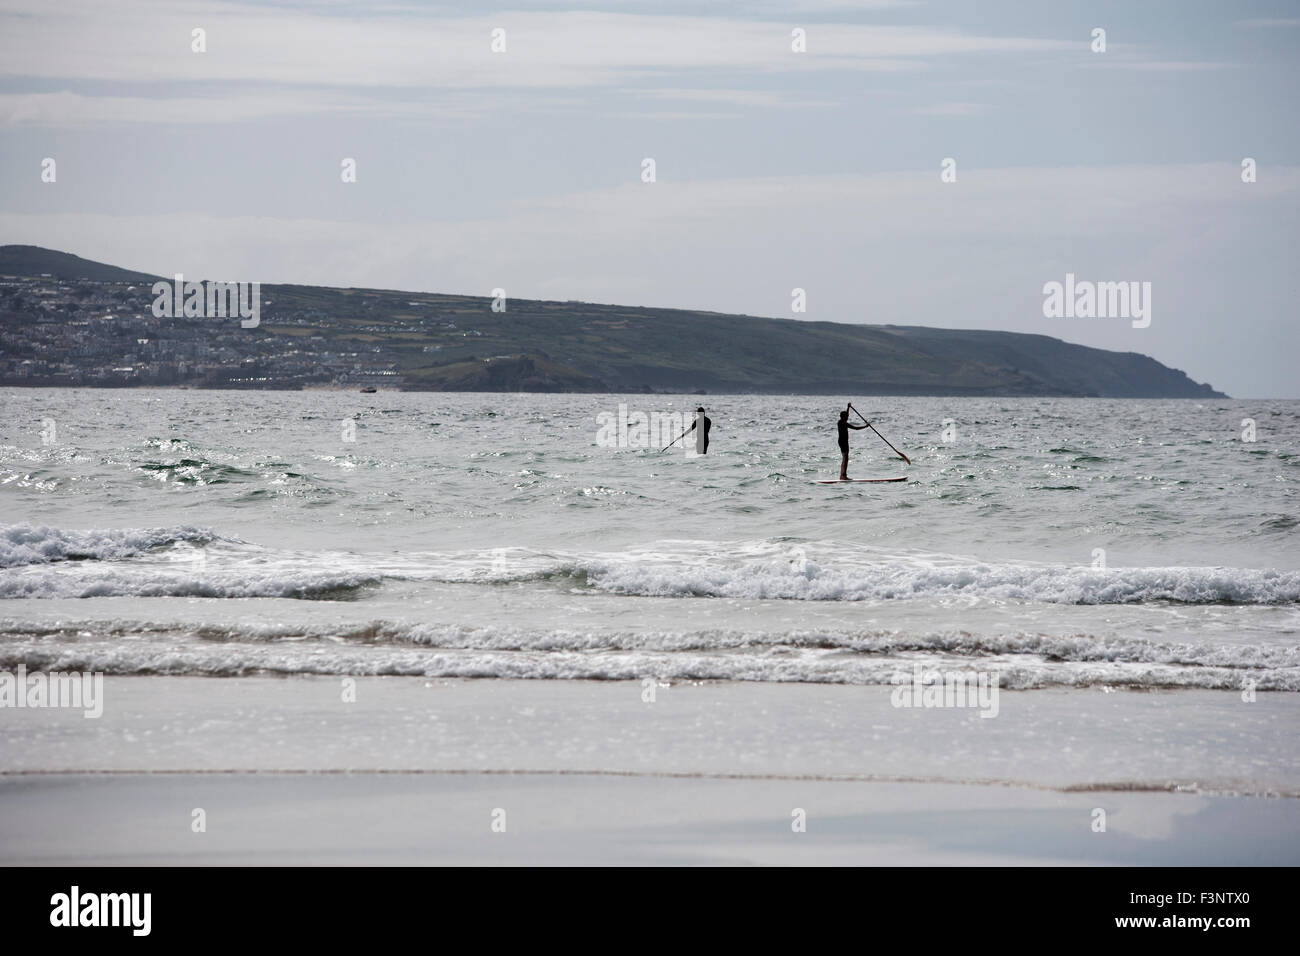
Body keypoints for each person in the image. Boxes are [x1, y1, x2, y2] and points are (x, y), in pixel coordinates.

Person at [837, 405, 867, 479]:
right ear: (843, 417)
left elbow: (846, 415)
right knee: (845, 458)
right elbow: (856, 428)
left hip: (843, 441)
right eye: (846, 417)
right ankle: (843, 475)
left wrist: (848, 408)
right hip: (843, 442)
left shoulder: (841, 421)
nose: (847, 418)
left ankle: (842, 475)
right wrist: (866, 426)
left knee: (845, 458)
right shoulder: (843, 423)